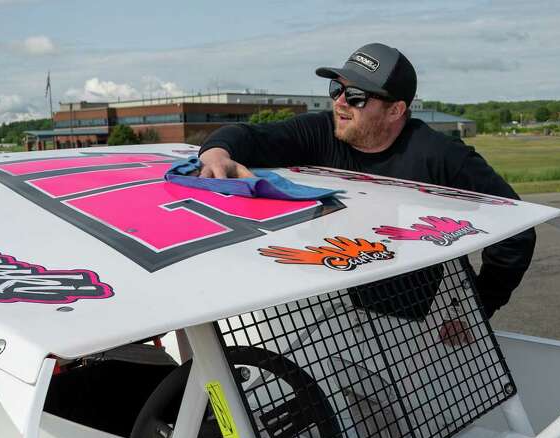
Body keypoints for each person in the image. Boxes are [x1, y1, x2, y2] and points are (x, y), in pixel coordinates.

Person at [199, 42, 535, 321]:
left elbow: (516, 226)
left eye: (357, 96)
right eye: (337, 89)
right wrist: (216, 153)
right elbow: (245, 135)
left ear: (395, 111)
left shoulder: (441, 155)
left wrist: (477, 308)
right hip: (325, 312)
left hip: (412, 323)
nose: (340, 102)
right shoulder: (318, 132)